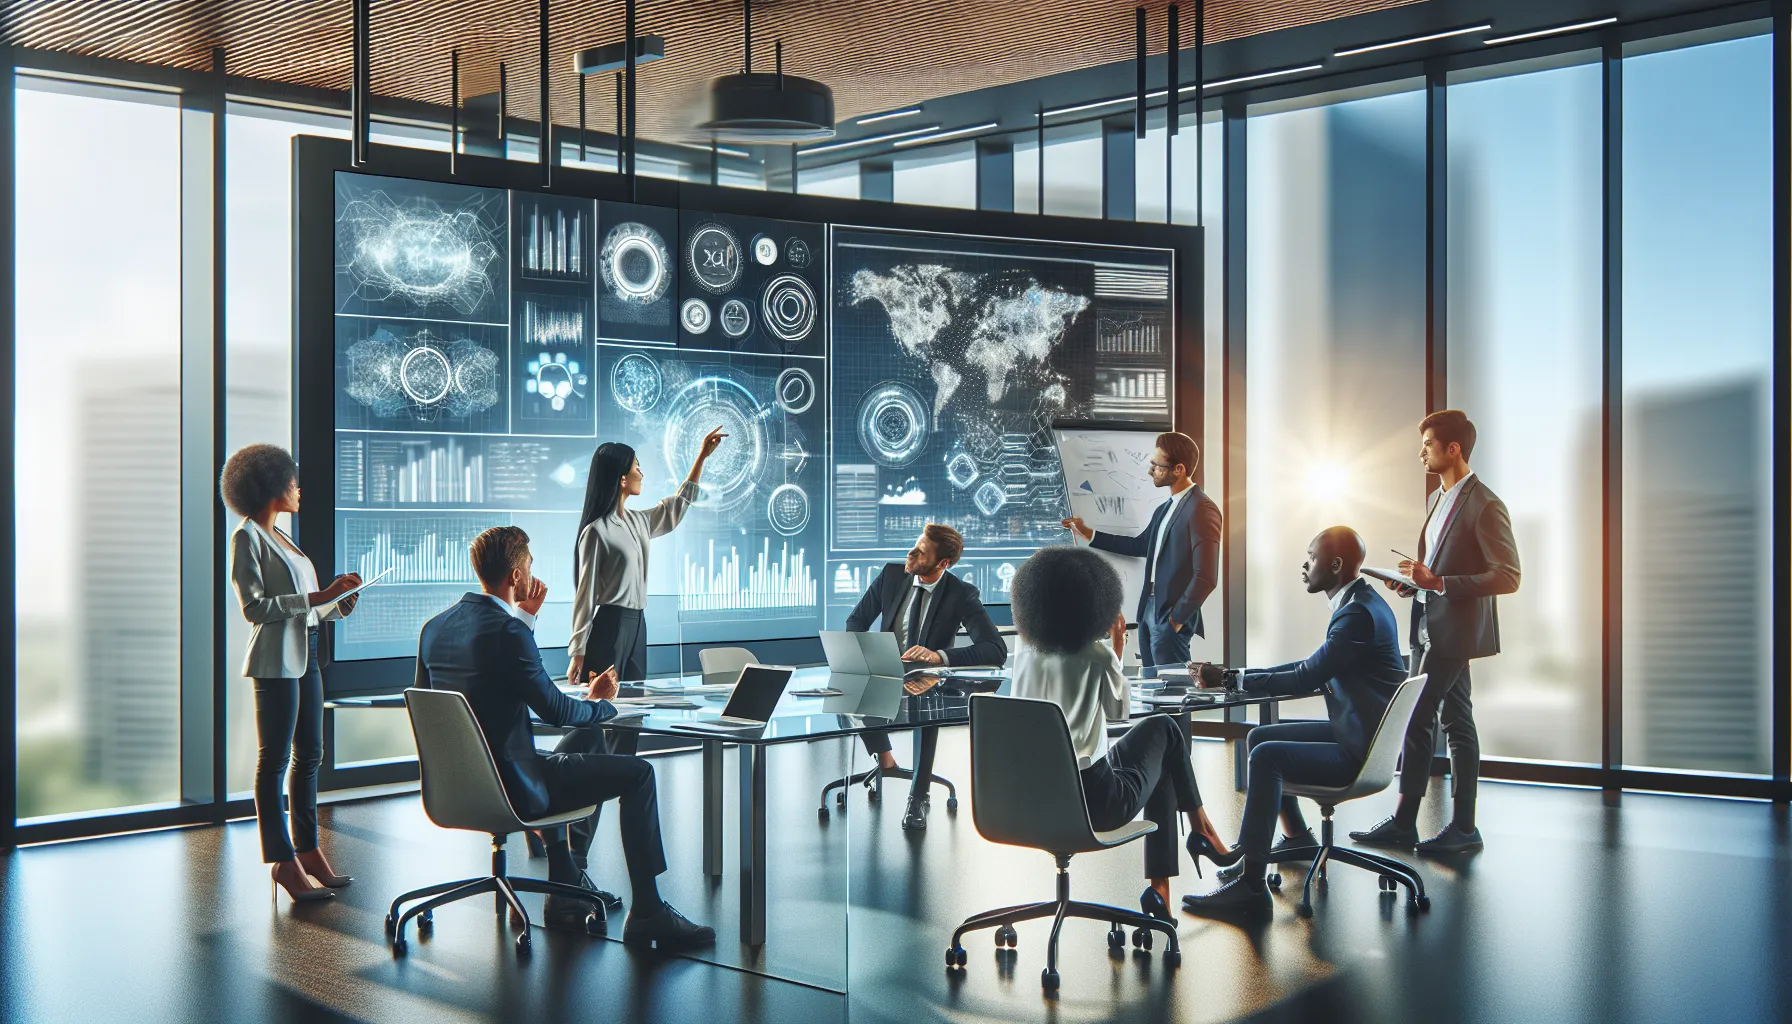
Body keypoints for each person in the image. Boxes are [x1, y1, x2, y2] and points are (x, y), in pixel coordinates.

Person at [416, 525, 713, 948]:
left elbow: (452, 699)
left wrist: (526, 624)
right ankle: (649, 912)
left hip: (454, 787)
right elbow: (555, 711)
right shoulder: (509, 632)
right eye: (529, 565)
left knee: (585, 739)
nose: (532, 572)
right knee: (639, 773)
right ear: (516, 576)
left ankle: (565, 882)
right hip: (514, 788)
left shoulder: (434, 629)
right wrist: (602, 704)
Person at [1181, 526, 1407, 917]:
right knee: (1260, 736)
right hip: (1361, 735)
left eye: (1312, 557)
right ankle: (1296, 836)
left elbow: (1306, 676)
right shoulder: (1363, 603)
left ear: (1335, 565)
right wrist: (1235, 676)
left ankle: (1252, 887)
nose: (1305, 565)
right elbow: (1311, 667)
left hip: (1360, 751)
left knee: (1267, 756)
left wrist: (1230, 680)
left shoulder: (1356, 616)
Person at [1008, 545, 1239, 926]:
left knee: (1161, 747)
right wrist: (1115, 650)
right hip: (1093, 805)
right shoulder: (1097, 656)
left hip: (1026, 802)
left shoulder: (1025, 654)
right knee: (1165, 730)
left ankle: (1174, 874)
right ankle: (1197, 836)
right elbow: (1119, 713)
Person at [1351, 410, 1519, 856]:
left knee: (1416, 715)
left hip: (1455, 631)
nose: (1421, 452)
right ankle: (1463, 827)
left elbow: (1508, 576)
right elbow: (1436, 571)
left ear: (1453, 448)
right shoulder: (1436, 499)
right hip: (1428, 624)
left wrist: (1439, 583)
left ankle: (1406, 822)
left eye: (1427, 444)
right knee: (1458, 721)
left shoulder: (1486, 504)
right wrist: (1414, 583)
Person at [223, 444, 362, 904]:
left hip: (309, 654)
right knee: (275, 760)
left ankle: (307, 849)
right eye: (292, 481)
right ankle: (282, 861)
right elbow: (254, 608)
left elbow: (308, 608)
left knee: (311, 756)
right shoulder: (247, 538)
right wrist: (318, 596)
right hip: (276, 662)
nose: (299, 488)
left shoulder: (284, 538)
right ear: (271, 486)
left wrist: (337, 605)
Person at [844, 523, 1007, 830]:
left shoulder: (960, 594)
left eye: (921, 552)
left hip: (928, 679)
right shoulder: (892, 575)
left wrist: (938, 656)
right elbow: (856, 620)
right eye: (914, 545)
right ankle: (886, 759)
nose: (911, 553)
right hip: (885, 670)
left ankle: (919, 795)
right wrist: (867, 653)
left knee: (927, 706)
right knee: (849, 686)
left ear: (942, 563)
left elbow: (995, 649)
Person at [566, 430, 725, 691]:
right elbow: (586, 593)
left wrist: (702, 458)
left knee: (636, 699)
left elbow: (676, 506)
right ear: (622, 479)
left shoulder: (638, 521)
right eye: (637, 467)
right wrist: (578, 651)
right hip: (610, 625)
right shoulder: (596, 531)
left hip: (638, 624)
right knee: (605, 704)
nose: (642, 474)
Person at [1061, 430, 1221, 674]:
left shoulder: (1202, 509)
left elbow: (1206, 576)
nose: (1150, 471)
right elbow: (1139, 545)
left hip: (1168, 615)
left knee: (1171, 687)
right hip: (1149, 608)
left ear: (1179, 469)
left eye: (1157, 466)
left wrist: (1176, 619)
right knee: (1151, 684)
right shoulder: (1164, 509)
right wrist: (1088, 534)